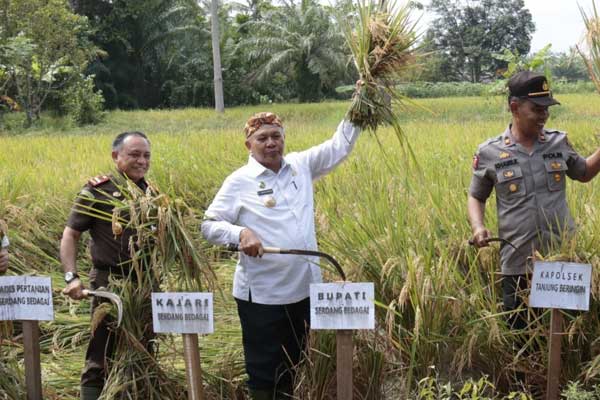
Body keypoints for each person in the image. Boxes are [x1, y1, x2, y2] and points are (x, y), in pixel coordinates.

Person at [201, 111, 361, 399]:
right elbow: (208, 224)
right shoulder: (239, 181)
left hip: (304, 290)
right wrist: (240, 234)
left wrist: (359, 109)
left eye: (276, 136)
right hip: (264, 295)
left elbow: (339, 146)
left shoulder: (301, 165)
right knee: (265, 371)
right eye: (262, 138)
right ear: (248, 145)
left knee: (299, 363)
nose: (271, 142)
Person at [468, 71, 600, 329]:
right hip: (518, 264)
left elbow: (584, 173)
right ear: (514, 107)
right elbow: (476, 195)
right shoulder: (490, 152)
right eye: (536, 109)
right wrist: (477, 226)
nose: (544, 116)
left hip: (562, 260)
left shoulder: (558, 142)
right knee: (521, 339)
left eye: (547, 109)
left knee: (566, 338)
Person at [60, 131, 151, 400]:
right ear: (116, 156)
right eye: (134, 154)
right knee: (102, 352)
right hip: (108, 284)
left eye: (146, 155)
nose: (141, 161)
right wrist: (71, 278)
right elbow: (70, 236)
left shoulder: (152, 195)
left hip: (145, 285)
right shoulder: (97, 191)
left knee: (143, 351)